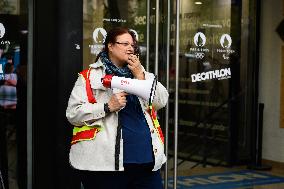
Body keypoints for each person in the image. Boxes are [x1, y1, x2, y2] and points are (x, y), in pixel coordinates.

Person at [66, 27, 169, 189]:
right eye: (125, 43)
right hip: (106, 167)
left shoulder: (143, 74)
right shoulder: (89, 77)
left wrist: (140, 76)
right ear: (110, 46)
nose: (130, 48)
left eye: (133, 45)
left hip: (147, 163)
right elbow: (73, 114)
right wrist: (107, 107)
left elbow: (161, 100)